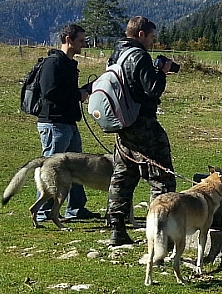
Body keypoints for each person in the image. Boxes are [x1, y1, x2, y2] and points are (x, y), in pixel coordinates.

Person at [105, 16, 178, 246]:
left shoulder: (115, 55)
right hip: (143, 124)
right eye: (151, 37)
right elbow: (153, 90)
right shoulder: (139, 56)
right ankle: (160, 230)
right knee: (162, 177)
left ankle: (116, 228)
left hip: (122, 125)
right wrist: (162, 71)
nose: (151, 42)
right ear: (141, 34)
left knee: (123, 176)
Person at [34, 22, 98, 221]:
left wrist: (85, 90)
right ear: (68, 40)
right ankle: (45, 211)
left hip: (68, 122)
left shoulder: (68, 63)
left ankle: (76, 208)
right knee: (52, 167)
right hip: (54, 123)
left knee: (77, 167)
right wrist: (77, 94)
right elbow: (49, 92)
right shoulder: (53, 63)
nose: (83, 44)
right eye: (80, 41)